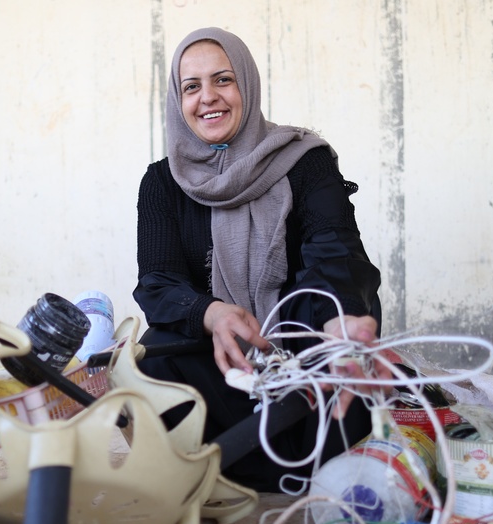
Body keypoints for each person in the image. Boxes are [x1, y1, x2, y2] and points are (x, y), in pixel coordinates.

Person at [133, 27, 382, 492]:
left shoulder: (304, 161)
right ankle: (286, 463)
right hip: (223, 366)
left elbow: (336, 252)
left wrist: (338, 319)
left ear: (246, 83)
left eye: (223, 80)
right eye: (192, 87)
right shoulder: (162, 182)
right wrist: (211, 313)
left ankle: (240, 462)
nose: (208, 97)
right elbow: (158, 282)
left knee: (345, 348)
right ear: (177, 98)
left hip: (299, 362)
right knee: (154, 359)